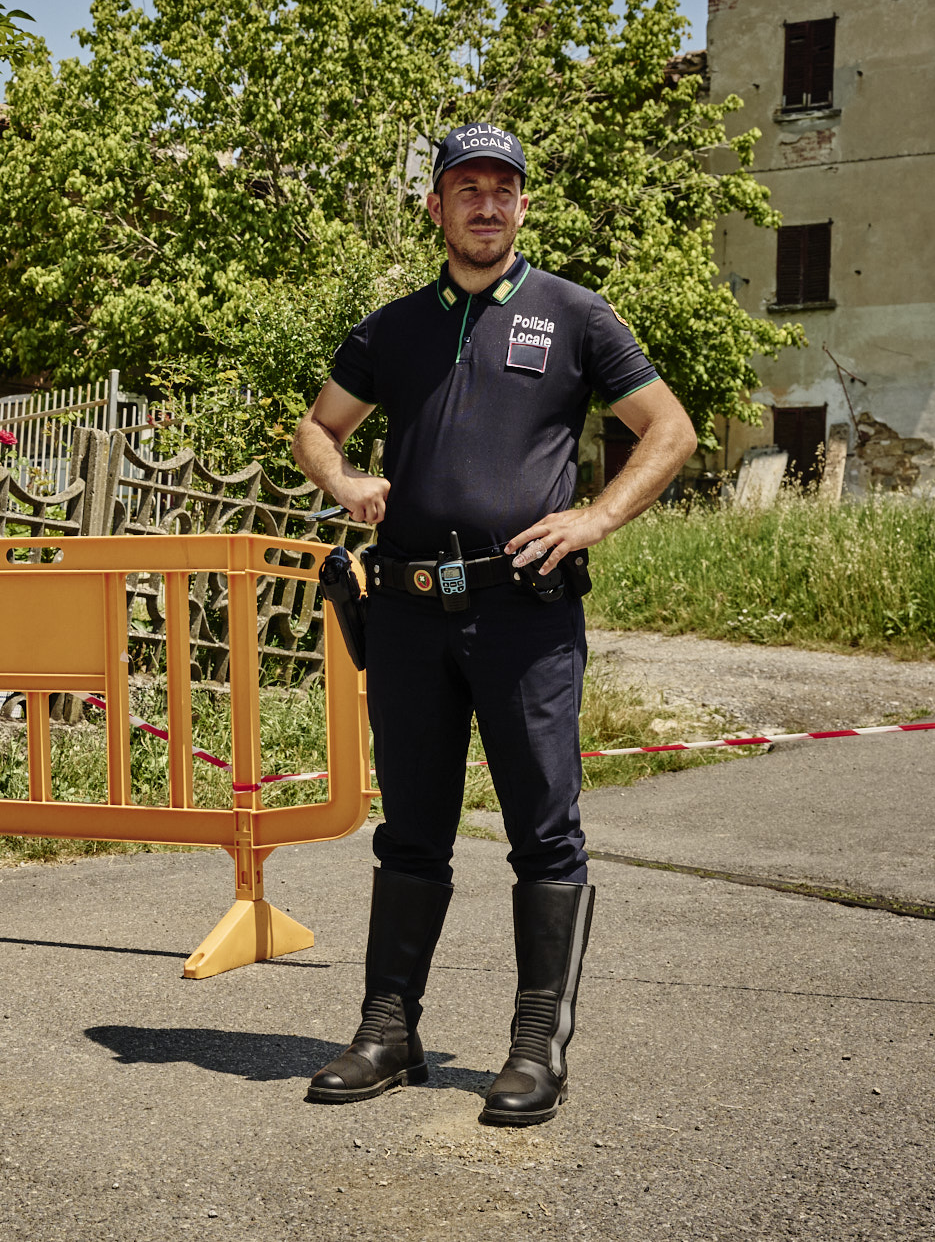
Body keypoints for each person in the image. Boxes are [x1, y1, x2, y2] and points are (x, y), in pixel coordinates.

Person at [291, 123, 697, 1126]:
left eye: (500, 191)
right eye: (464, 189)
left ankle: (533, 1049)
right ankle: (388, 1031)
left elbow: (669, 430)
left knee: (541, 834)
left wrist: (597, 515)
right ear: (435, 207)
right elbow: (316, 425)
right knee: (412, 834)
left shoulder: (573, 313)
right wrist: (344, 480)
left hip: (524, 613)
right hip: (407, 617)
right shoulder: (391, 328)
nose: (483, 205)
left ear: (522, 206)